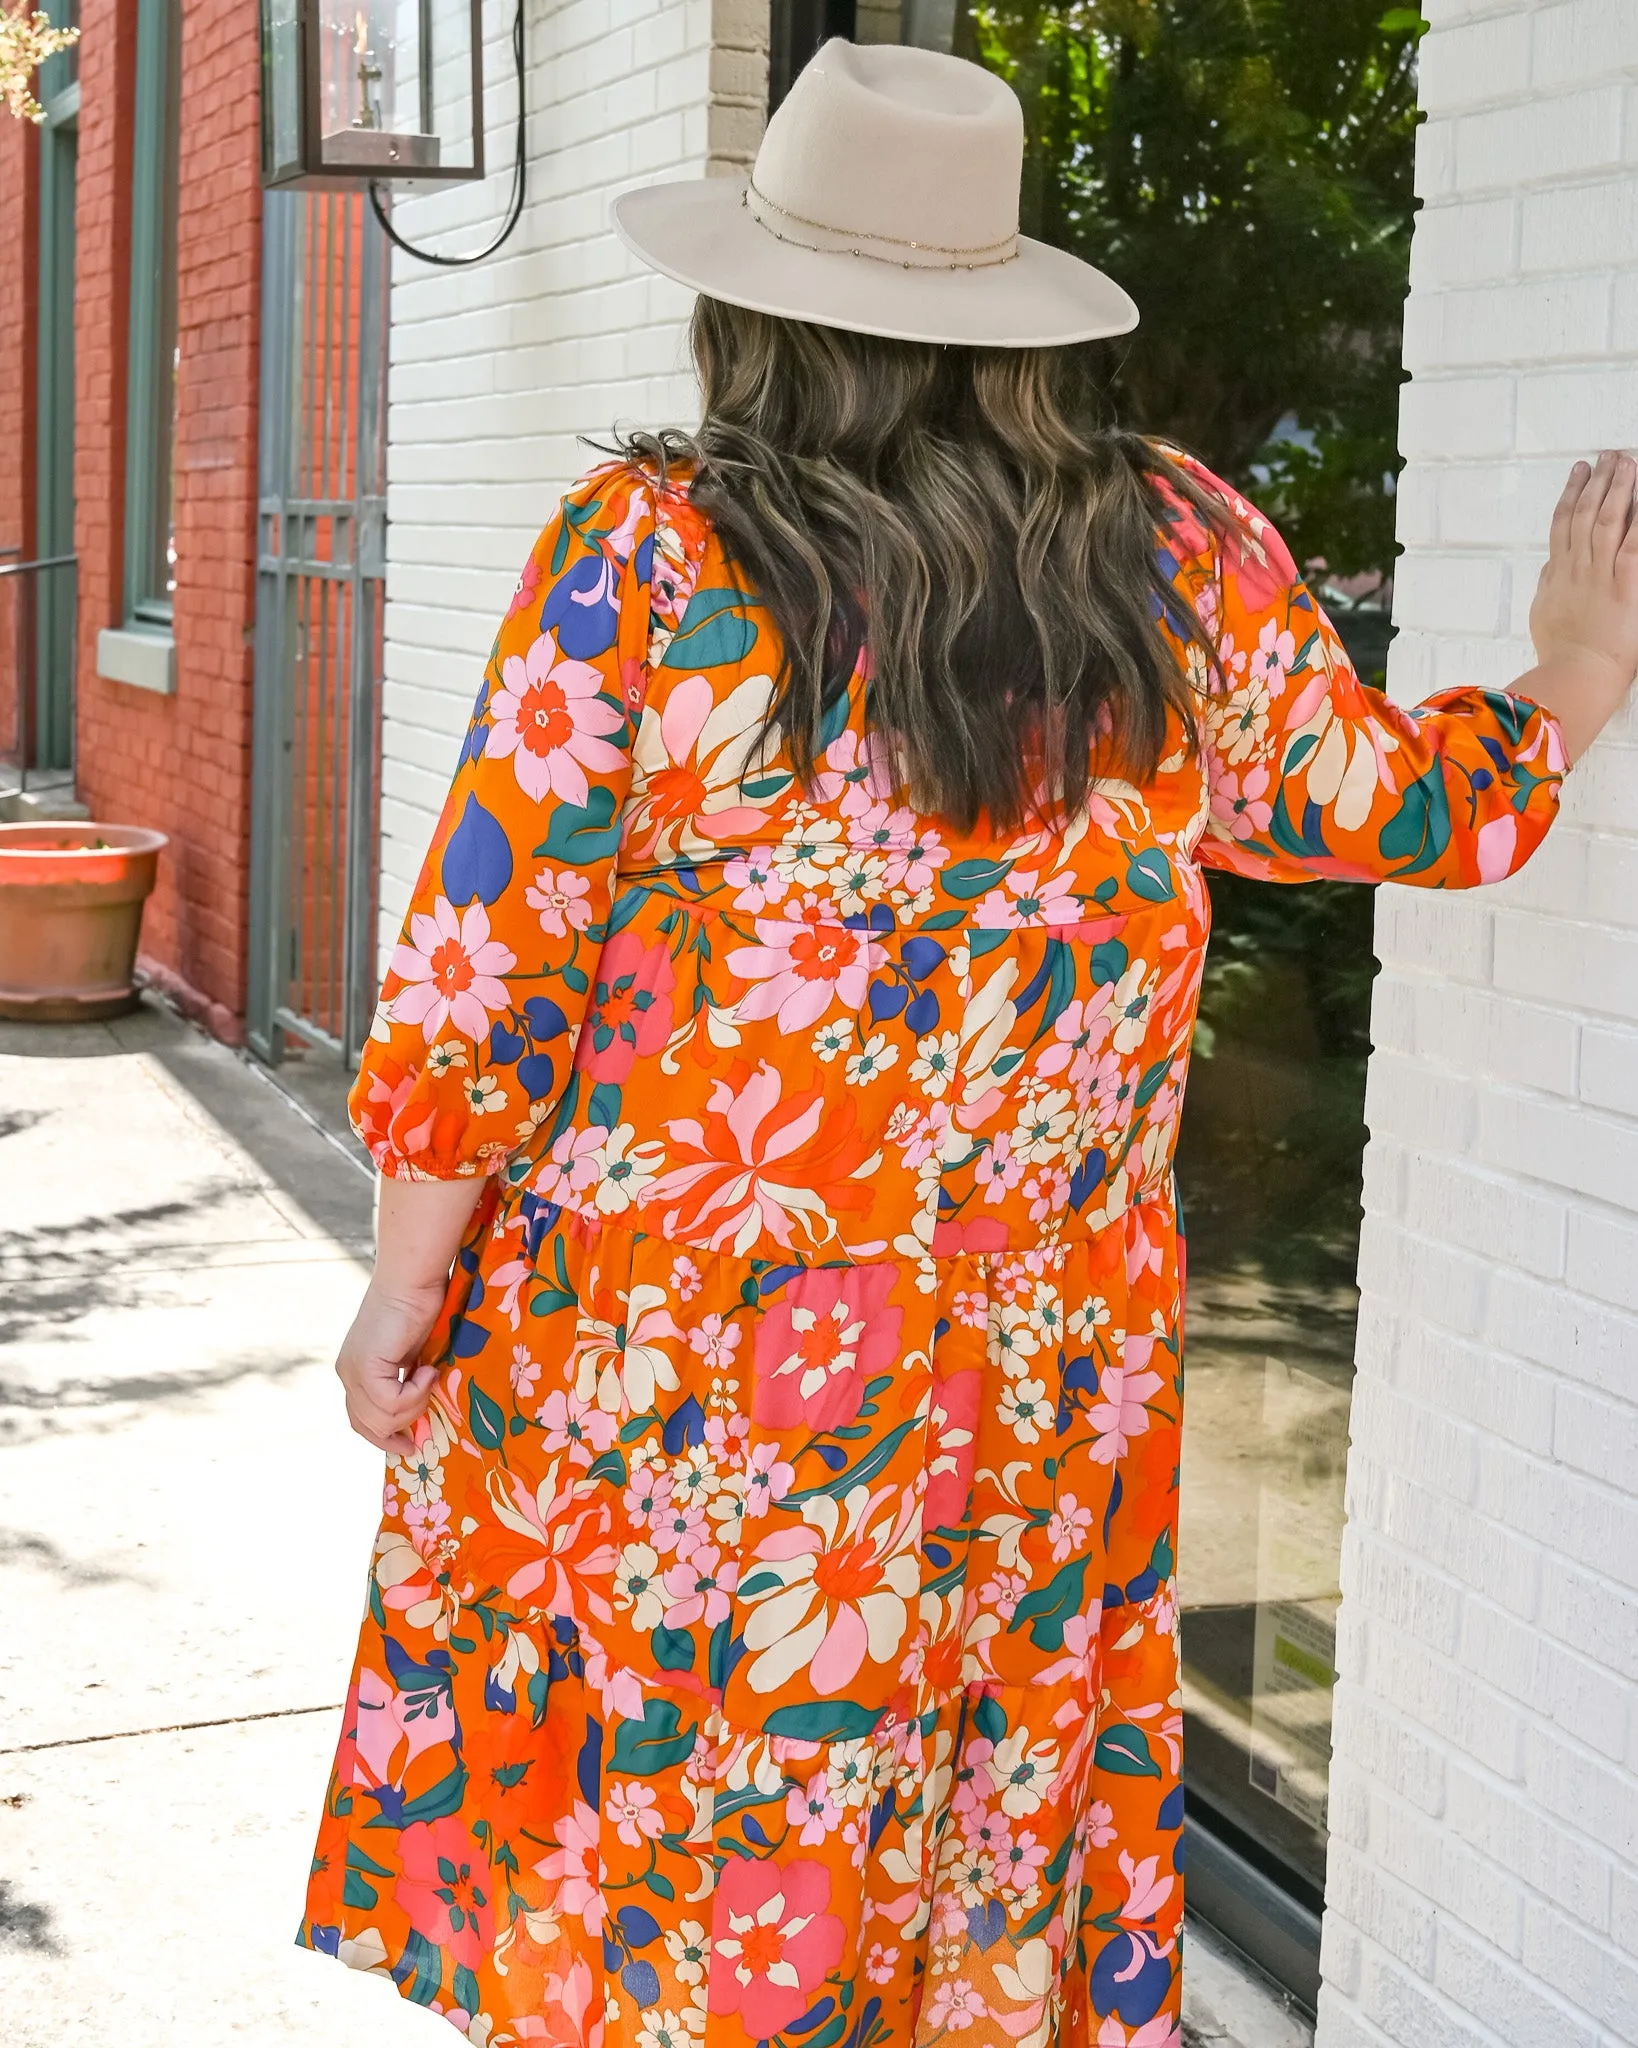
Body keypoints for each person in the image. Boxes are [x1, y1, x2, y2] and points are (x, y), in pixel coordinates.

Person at [297, 39, 1638, 2048]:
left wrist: (407, 1283)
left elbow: (489, 982)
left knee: (707, 1831)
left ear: (758, 309)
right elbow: (1389, 810)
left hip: (696, 1366)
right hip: (1036, 1360)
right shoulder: (1170, 550)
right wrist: (1577, 663)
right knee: (972, 1811)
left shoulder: (655, 560)